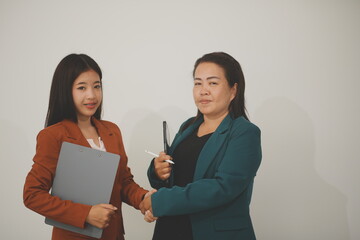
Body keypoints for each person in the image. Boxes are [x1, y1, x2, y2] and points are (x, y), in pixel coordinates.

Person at [23, 53, 150, 240]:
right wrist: (86, 214)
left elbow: (123, 182)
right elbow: (32, 195)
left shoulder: (112, 131)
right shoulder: (53, 136)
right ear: (66, 91)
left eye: (97, 86)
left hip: (114, 235)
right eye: (81, 87)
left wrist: (144, 199)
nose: (92, 95)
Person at [140, 52, 262, 240]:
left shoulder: (244, 133)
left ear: (233, 90)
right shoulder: (189, 126)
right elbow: (176, 178)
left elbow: (222, 188)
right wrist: (158, 171)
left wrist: (159, 201)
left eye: (212, 83)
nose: (203, 90)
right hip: (171, 229)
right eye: (198, 83)